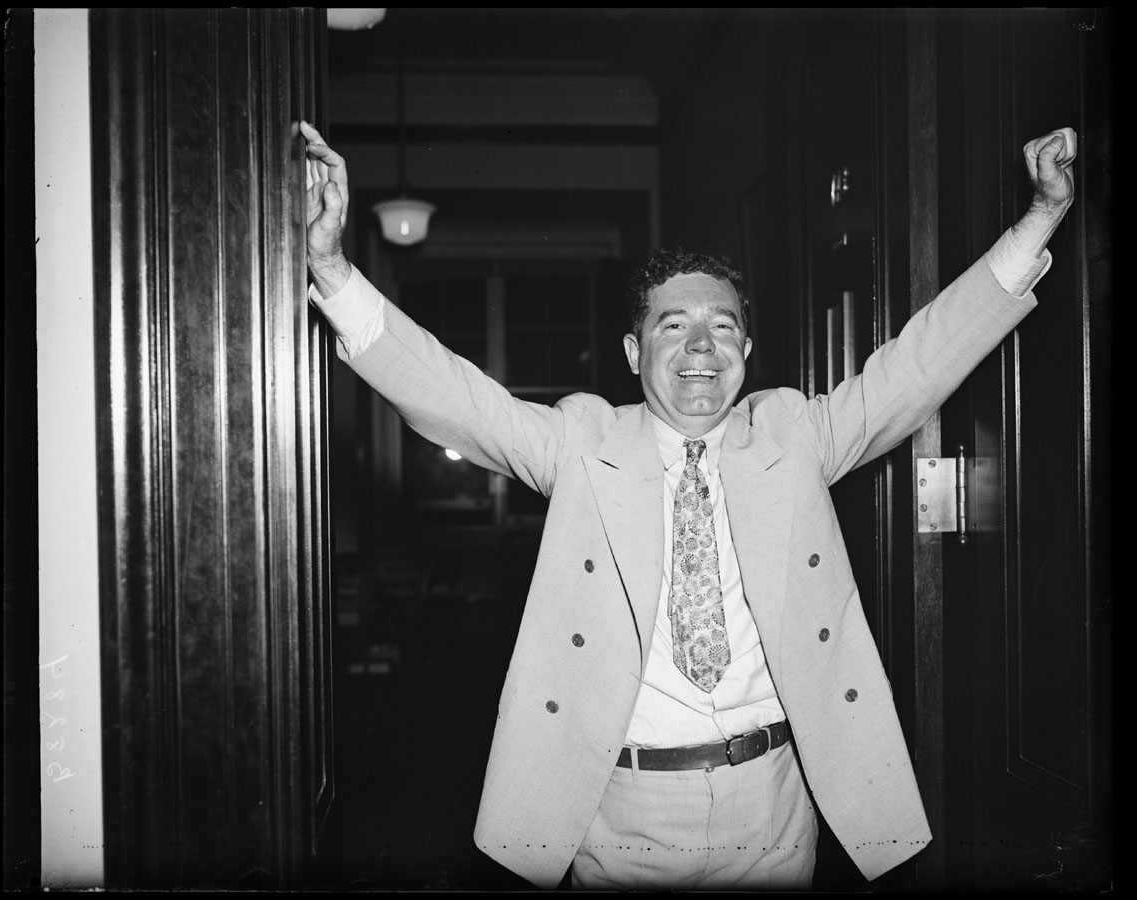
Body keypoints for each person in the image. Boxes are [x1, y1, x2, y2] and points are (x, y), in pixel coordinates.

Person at [300, 119, 1076, 890]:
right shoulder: (582, 444)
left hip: (773, 809)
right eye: (674, 327)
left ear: (746, 352)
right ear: (634, 353)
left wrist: (1039, 217)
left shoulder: (796, 436)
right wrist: (331, 267)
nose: (701, 346)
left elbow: (919, 365)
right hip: (621, 816)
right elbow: (456, 398)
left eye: (722, 327)